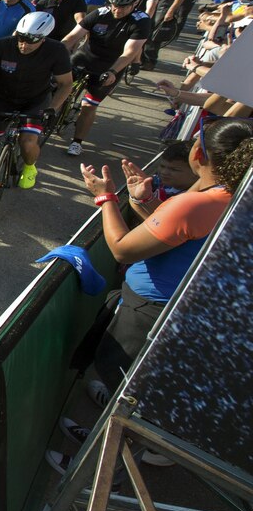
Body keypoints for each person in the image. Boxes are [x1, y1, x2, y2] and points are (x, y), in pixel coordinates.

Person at [74, 117, 253, 402]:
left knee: (123, 382)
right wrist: (142, 201)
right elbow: (176, 234)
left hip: (150, 311)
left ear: (198, 154)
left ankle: (104, 436)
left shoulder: (195, 203)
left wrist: (105, 198)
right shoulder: (236, 196)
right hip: (185, 312)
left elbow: (123, 249)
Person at [0, 12, 74, 195]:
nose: (23, 44)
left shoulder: (56, 50)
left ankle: (30, 166)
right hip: (4, 98)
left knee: (27, 142)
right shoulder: (2, 45)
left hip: (36, 101)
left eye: (30, 41)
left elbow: (66, 84)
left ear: (43, 39)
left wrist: (52, 109)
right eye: (20, 38)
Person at [60, 0, 152, 156]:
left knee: (88, 106)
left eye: (123, 7)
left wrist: (113, 72)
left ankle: (77, 141)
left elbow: (130, 52)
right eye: (114, 5)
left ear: (135, 4)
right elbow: (72, 37)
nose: (117, 10)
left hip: (111, 64)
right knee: (58, 84)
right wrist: (58, 53)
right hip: (86, 56)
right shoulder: (100, 13)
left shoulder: (141, 21)